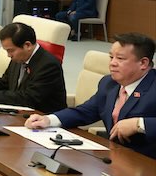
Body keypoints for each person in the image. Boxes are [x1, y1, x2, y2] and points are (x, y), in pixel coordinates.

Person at [26, 33, 155, 159]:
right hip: (116, 158)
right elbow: (86, 111)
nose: (113, 63)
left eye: (120, 59)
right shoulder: (109, 83)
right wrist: (48, 120)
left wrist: (139, 124)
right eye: (111, 57)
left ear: (143, 63)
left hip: (147, 163)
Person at [0, 22, 66, 113]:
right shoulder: (19, 58)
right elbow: (4, 83)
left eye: (11, 51)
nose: (9, 55)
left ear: (27, 45)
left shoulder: (48, 65)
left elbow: (29, 98)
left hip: (43, 118)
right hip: (20, 113)